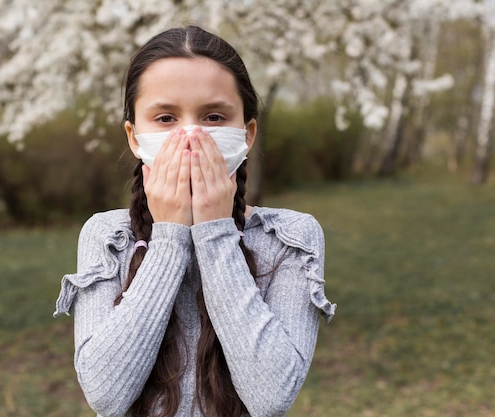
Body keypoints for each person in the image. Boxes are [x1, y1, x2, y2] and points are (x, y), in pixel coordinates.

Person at [54, 25, 336, 417]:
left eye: (214, 116)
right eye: (166, 118)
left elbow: (270, 397)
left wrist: (215, 232)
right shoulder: (107, 237)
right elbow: (106, 395)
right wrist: (169, 238)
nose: (191, 135)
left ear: (247, 134)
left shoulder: (291, 239)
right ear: (134, 137)